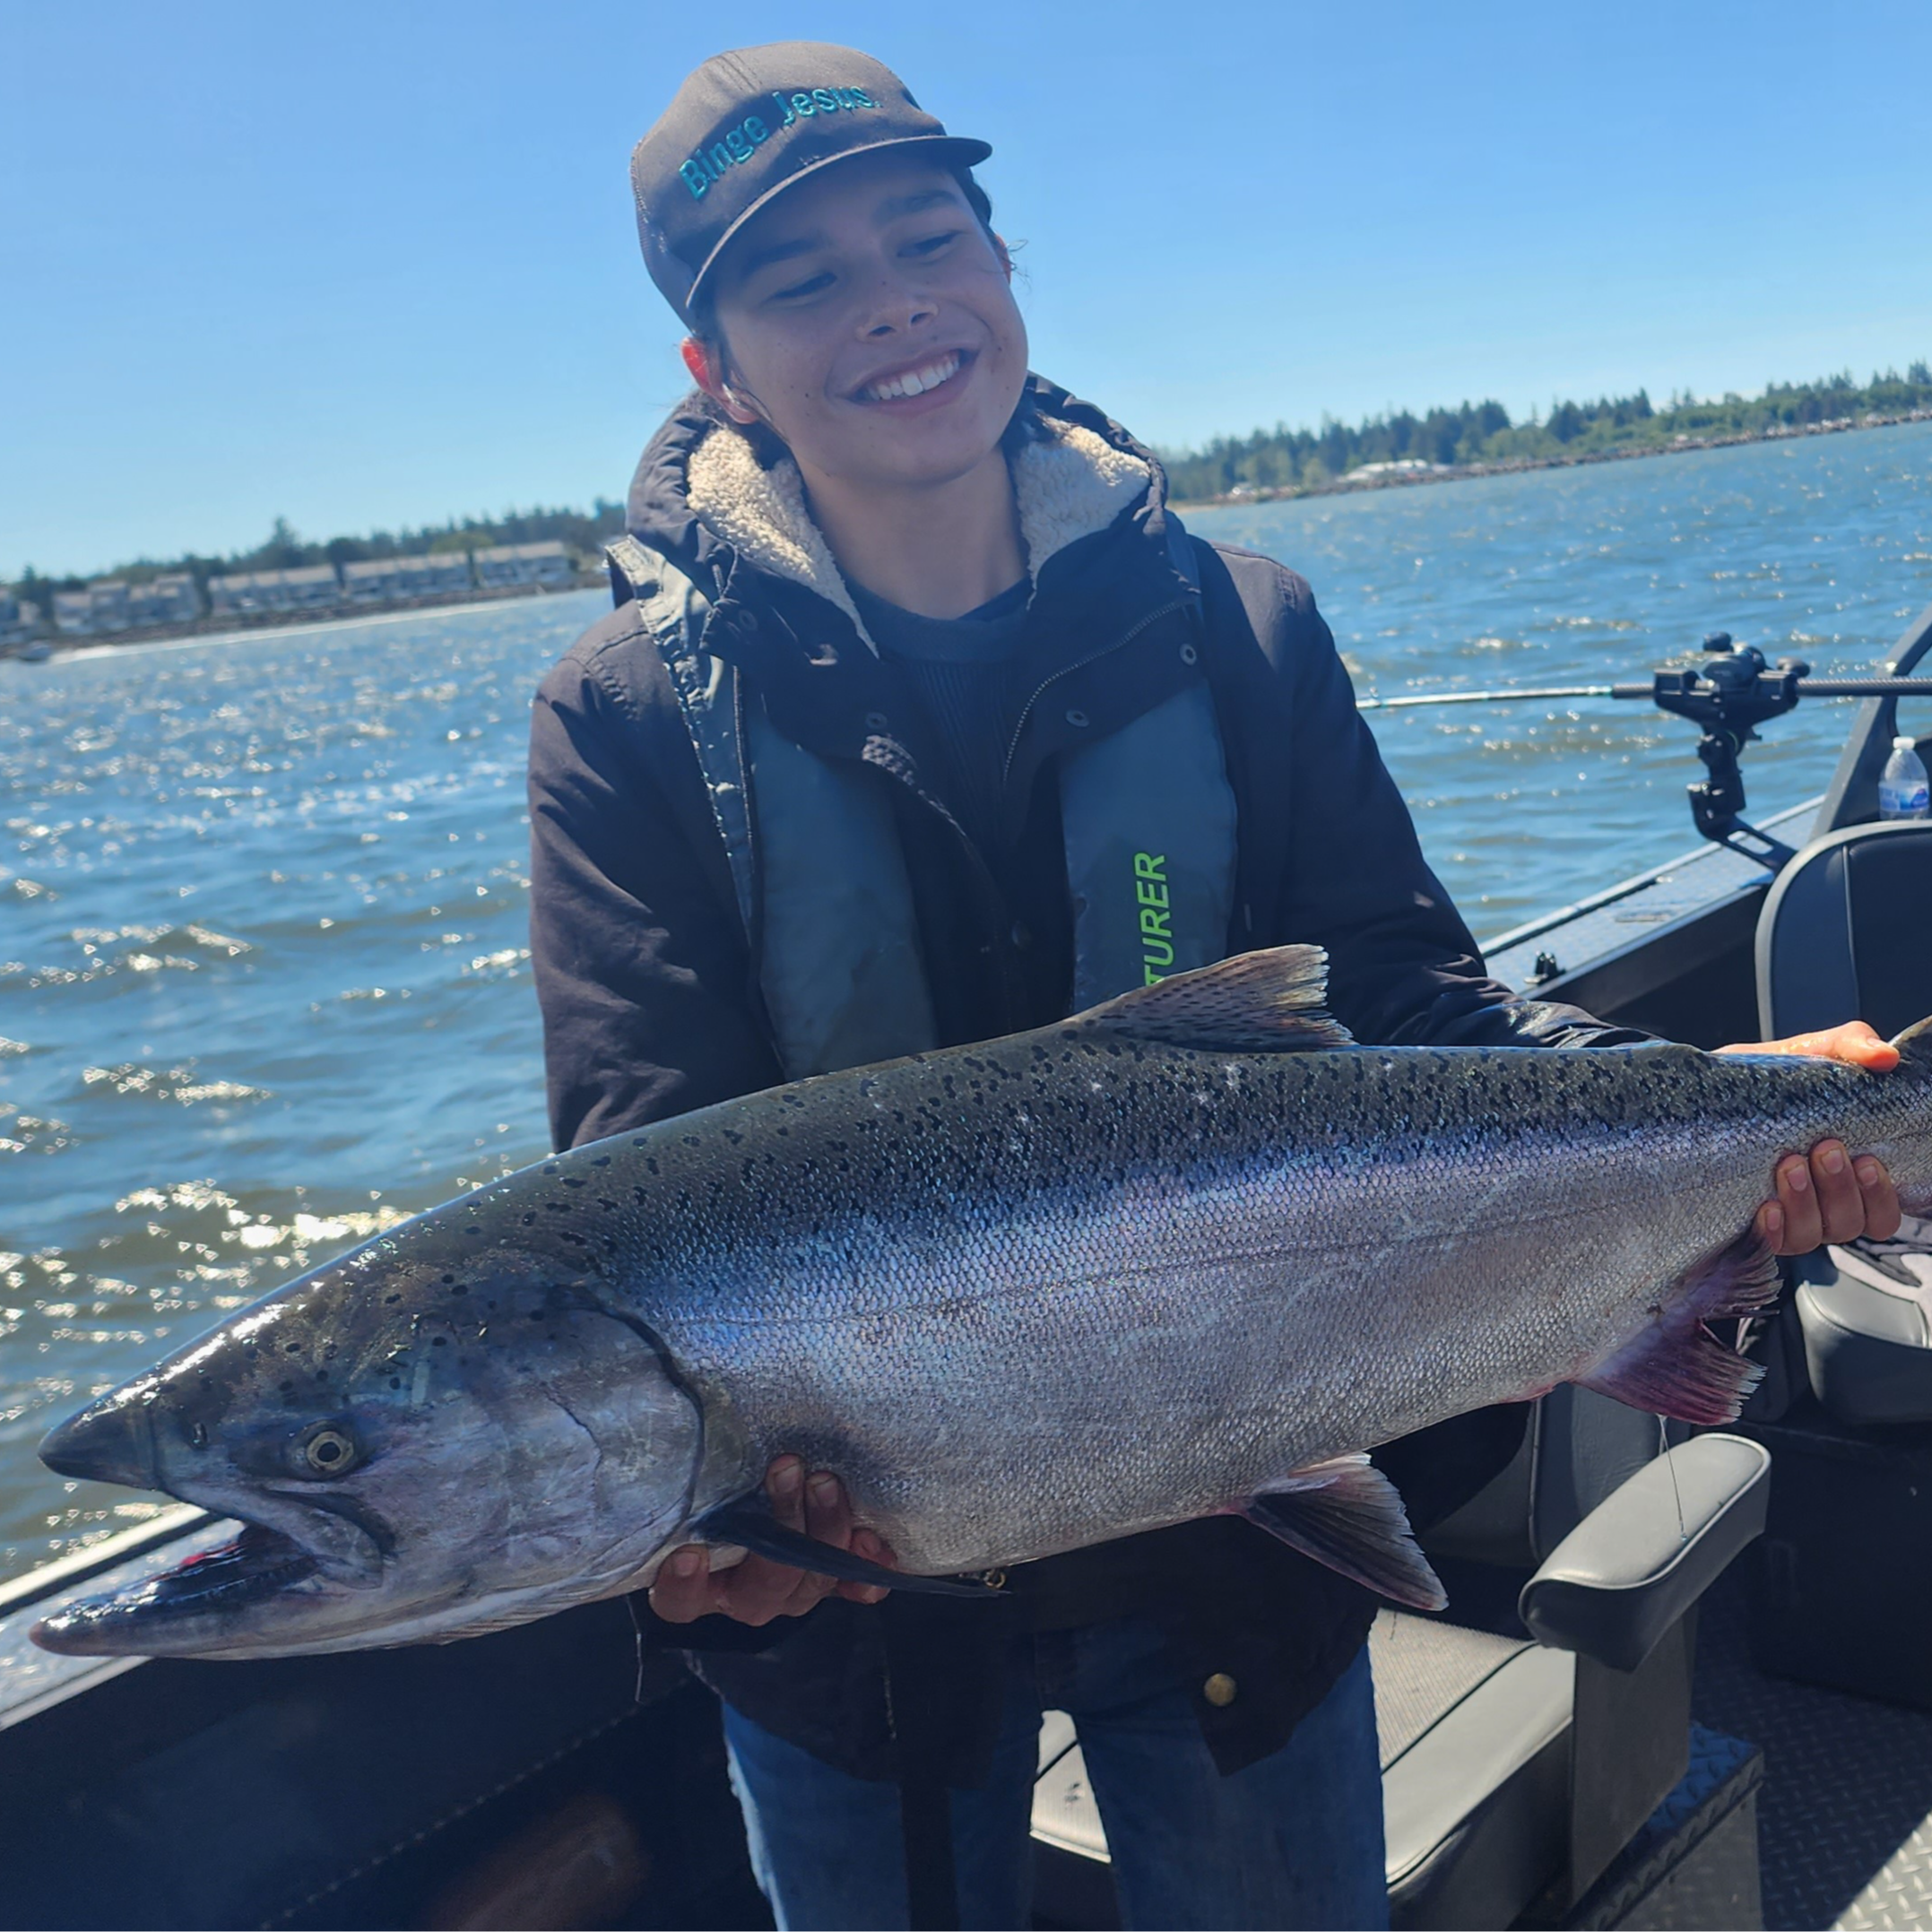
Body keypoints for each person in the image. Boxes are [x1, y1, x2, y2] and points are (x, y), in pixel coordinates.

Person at [525, 42, 1902, 1932]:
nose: (893, 303)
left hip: (1256, 1558)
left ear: (1003, 270)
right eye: (801, 279)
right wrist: (704, 1522)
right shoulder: (621, 720)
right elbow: (642, 1184)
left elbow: (1424, 1022)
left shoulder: (1243, 623)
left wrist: (1737, 1111)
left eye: (927, 238)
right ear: (712, 366)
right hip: (855, 1621)